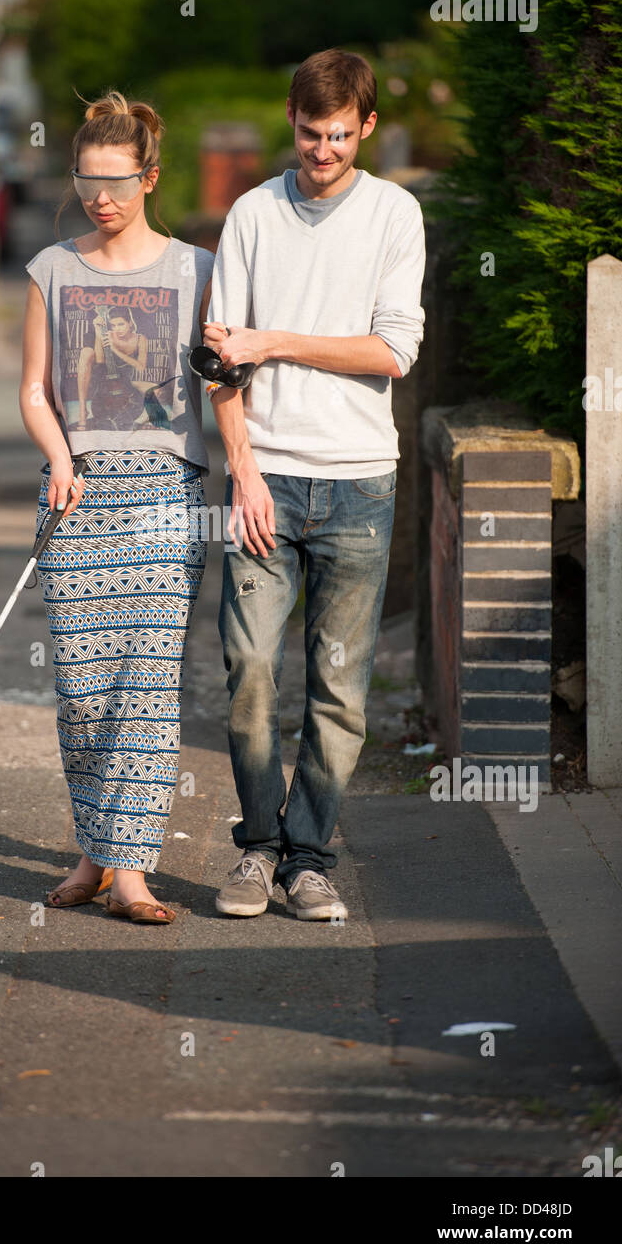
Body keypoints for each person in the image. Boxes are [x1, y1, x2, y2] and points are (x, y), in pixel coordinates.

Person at [203, 48, 426, 921]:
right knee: (250, 665)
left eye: (337, 135)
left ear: (365, 127)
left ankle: (308, 859)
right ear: (289, 121)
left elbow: (392, 351)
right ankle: (255, 851)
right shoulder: (253, 214)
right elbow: (222, 360)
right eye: (307, 133)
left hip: (360, 484)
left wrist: (277, 340)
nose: (321, 150)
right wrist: (243, 473)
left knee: (339, 686)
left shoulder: (394, 215)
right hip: (267, 479)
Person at [20, 90, 213, 923]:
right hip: (79, 491)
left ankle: (132, 870)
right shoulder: (51, 268)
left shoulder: (195, 270)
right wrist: (60, 458)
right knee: (85, 689)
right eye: (87, 180)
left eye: (117, 180)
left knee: (147, 689)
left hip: (167, 499)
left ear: (150, 177)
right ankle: (94, 853)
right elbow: (32, 388)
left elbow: (226, 382)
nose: (101, 197)